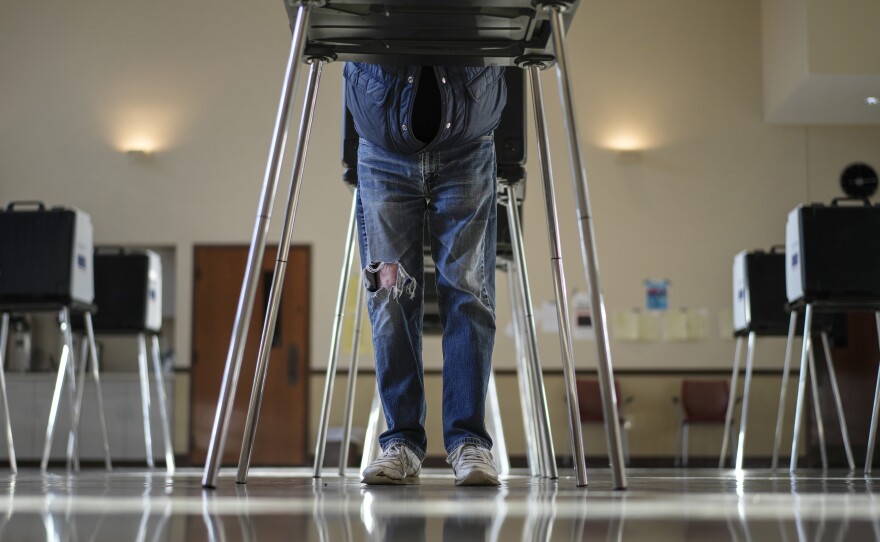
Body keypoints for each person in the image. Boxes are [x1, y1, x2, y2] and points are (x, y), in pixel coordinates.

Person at [343, 62, 507, 486]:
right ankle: (400, 442)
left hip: (468, 143)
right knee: (389, 299)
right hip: (383, 149)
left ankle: (470, 443)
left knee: (469, 292)